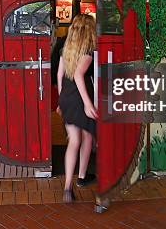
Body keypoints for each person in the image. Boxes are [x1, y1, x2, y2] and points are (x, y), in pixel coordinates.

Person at [57, 14, 98, 202]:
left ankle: (67, 188)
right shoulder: (88, 49)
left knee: (74, 141)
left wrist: (60, 100)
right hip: (81, 98)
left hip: (66, 96)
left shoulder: (66, 47)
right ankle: (81, 177)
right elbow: (79, 76)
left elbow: (59, 74)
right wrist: (89, 105)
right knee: (88, 135)